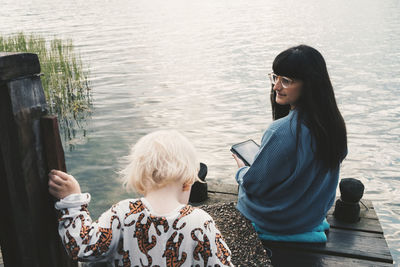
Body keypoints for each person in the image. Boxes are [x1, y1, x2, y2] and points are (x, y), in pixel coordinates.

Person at [49, 130, 233, 266]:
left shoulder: (122, 213)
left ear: (140, 180)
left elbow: (84, 247)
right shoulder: (201, 222)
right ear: (188, 182)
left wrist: (73, 201)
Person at [232, 45, 347, 243]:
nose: (276, 86)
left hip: (278, 222)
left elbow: (254, 185)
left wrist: (242, 171)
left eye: (286, 81)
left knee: (244, 187)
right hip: (310, 217)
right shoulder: (333, 125)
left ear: (309, 84)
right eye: (275, 77)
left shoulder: (281, 131)